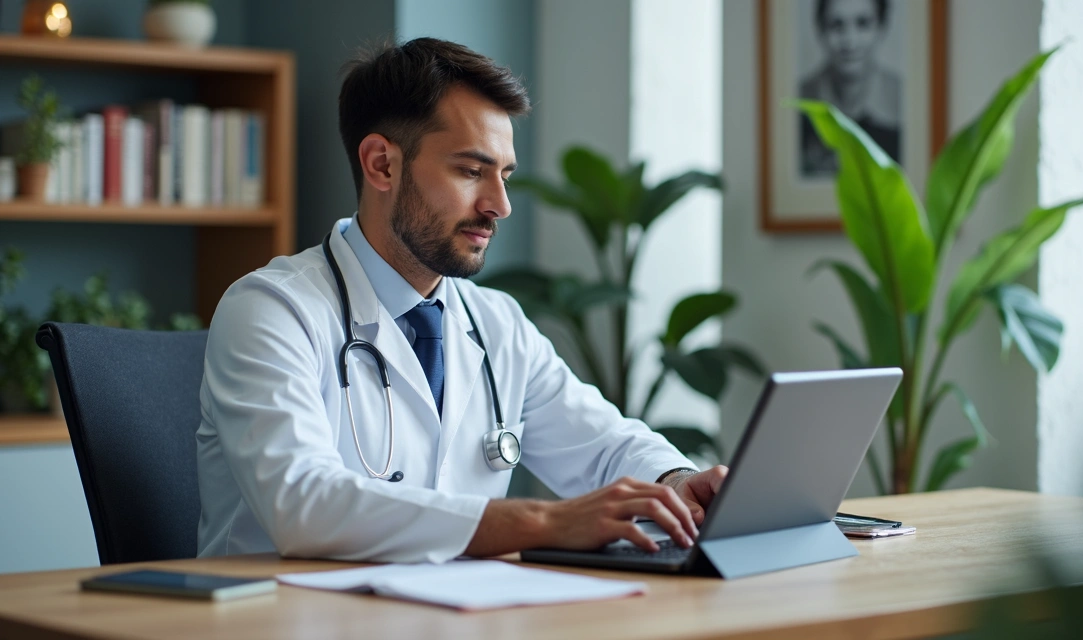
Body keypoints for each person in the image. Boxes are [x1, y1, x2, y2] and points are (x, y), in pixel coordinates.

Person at [195, 38, 728, 564]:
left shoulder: (496, 323)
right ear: (381, 164)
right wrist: (542, 522)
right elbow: (303, 504)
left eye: (505, 175)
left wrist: (677, 482)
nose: (499, 205)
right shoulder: (271, 310)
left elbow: (605, 445)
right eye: (472, 172)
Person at [799, 0, 901, 176]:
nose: (850, 41)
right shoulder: (800, 101)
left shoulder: (902, 100)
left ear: (882, 28)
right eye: (836, 25)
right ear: (820, 30)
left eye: (863, 24)